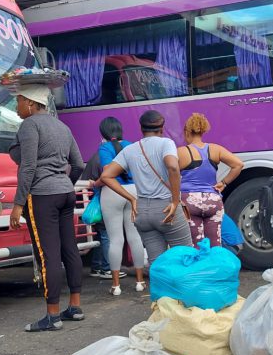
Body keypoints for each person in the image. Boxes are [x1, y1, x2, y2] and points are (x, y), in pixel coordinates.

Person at [8, 83, 86, 332]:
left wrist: (18, 204)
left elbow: (28, 166)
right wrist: (64, 183)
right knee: (69, 249)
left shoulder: (30, 125)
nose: (16, 106)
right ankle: (74, 306)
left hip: (43, 196)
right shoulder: (62, 126)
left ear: (30, 102)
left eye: (19, 100)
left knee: (47, 254)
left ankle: (52, 315)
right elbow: (78, 164)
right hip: (65, 193)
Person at [100, 110, 192, 266]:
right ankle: (184, 290)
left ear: (141, 129)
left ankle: (161, 290)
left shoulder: (129, 150)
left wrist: (131, 198)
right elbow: (173, 167)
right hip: (166, 207)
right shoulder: (166, 143)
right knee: (185, 258)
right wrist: (175, 201)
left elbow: (106, 176)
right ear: (162, 128)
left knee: (157, 263)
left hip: (142, 210)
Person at [97, 117, 146, 295]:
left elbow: (107, 173)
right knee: (135, 237)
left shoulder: (104, 148)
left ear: (103, 132)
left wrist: (94, 184)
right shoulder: (133, 146)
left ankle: (116, 286)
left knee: (115, 239)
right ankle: (140, 282)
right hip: (134, 191)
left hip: (112, 192)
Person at [178, 113, 243, 246]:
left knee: (196, 245)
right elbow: (238, 164)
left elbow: (169, 175)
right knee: (215, 244)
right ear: (203, 131)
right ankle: (216, 265)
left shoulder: (181, 152)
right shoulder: (215, 149)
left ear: (187, 132)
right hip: (213, 199)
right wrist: (224, 183)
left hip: (189, 202)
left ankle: (200, 267)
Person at [80, 150, 114, 279]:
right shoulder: (106, 157)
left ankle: (96, 267)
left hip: (94, 201)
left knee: (100, 236)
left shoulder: (95, 157)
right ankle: (106, 268)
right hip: (102, 201)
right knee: (106, 235)